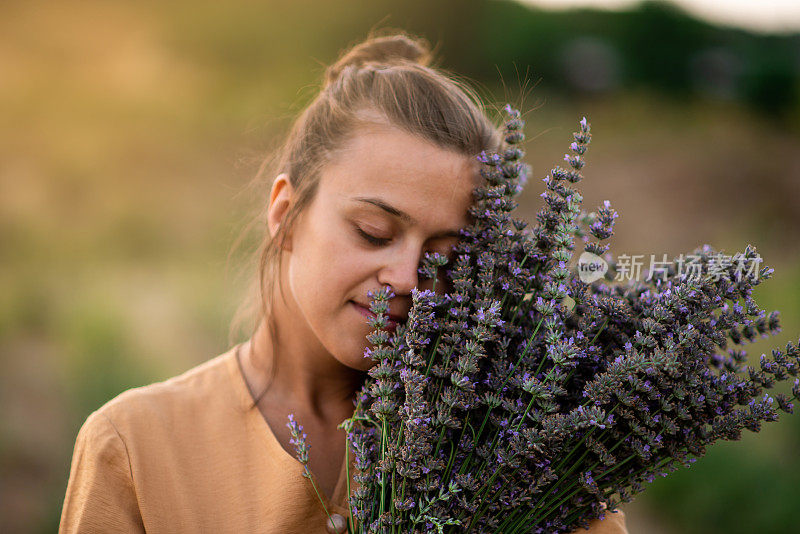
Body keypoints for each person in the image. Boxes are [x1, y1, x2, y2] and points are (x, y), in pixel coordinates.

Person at [59, 32, 628, 533]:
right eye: (373, 231)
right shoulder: (134, 447)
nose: (407, 280)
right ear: (285, 213)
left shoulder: (524, 446)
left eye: (444, 258)